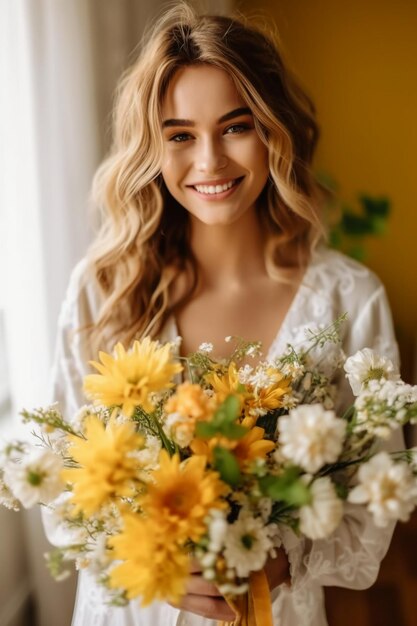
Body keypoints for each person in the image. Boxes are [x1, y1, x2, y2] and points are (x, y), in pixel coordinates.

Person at [44, 3, 402, 625]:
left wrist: (282, 559)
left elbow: (376, 504)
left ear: (275, 131)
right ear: (150, 147)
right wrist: (155, 563)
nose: (209, 162)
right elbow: (55, 491)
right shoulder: (104, 289)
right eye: (179, 134)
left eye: (236, 127)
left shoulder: (350, 299)